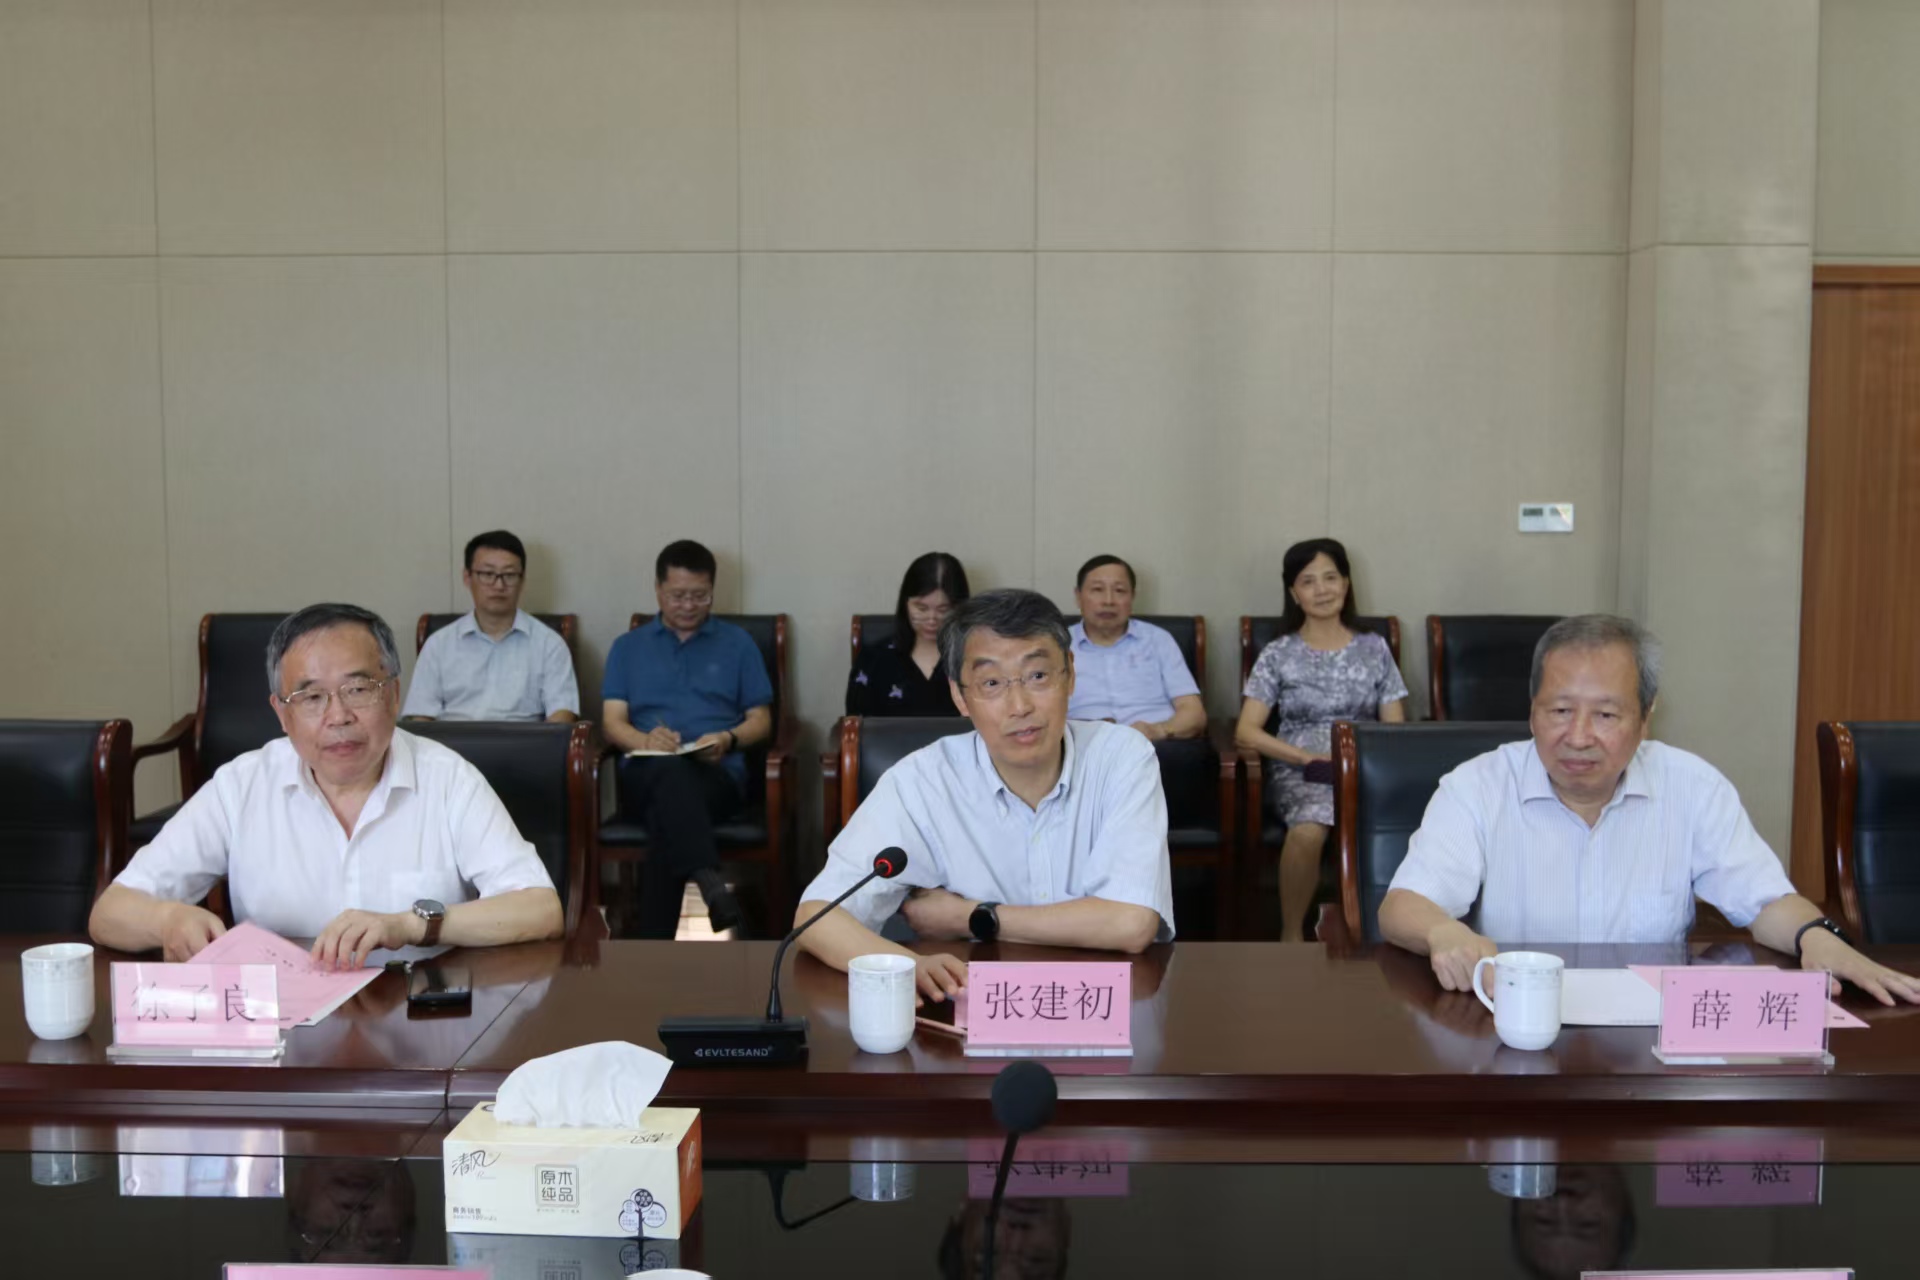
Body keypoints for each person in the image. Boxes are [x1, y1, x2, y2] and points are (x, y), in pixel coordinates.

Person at [1380, 614, 1920, 1005]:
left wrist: (1818, 937)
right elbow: (1402, 906)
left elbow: (1764, 902)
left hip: (1650, 1037)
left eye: (1606, 715)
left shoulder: (1692, 786)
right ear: (1532, 710)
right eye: (1560, 710)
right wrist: (1442, 932)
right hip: (1516, 1021)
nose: (1578, 736)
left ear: (1646, 716)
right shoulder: (1477, 786)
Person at [90, 604, 562, 966]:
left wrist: (410, 925)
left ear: (394, 695)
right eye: (311, 697)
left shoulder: (448, 779)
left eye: (358, 689)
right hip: (285, 1035)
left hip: (422, 1023)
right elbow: (110, 913)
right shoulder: (241, 785)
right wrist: (169, 919)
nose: (338, 716)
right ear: (281, 713)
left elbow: (540, 908)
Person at [795, 589, 1173, 1004]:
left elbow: (1131, 924)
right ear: (960, 696)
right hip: (971, 1011)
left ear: (1070, 675)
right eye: (991, 683)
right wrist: (906, 964)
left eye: (1038, 676)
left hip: (1102, 1008)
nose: (1020, 706)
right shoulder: (922, 781)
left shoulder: (1121, 757)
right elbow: (817, 917)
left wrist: (973, 917)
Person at [1235, 538, 1407, 941]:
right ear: (1294, 593)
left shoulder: (1374, 648)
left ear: (1346, 584)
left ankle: (1388, 933)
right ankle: (1292, 933)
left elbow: (1395, 728)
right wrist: (1303, 758)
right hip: (1302, 770)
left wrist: (1368, 765)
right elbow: (1246, 730)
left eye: (1331, 578)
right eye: (1308, 581)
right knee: (1308, 831)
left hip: (1365, 766)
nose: (1322, 589)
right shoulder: (1278, 652)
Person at [600, 540, 773, 938]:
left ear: (712, 589)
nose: (689, 605)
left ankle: (652, 949)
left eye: (700, 595)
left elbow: (762, 721)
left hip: (716, 777)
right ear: (658, 590)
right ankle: (710, 879)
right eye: (678, 596)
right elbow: (612, 723)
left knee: (668, 813)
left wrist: (728, 738)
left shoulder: (738, 644)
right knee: (667, 772)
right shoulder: (628, 647)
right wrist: (645, 740)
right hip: (644, 774)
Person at [403, 529, 578, 723]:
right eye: (487, 574)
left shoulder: (550, 645)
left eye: (509, 575)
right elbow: (421, 718)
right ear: (467, 577)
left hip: (524, 742)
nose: (499, 585)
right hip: (451, 742)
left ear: (522, 580)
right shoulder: (438, 645)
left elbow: (562, 716)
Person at [1065, 555, 1205, 741]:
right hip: (1083, 744)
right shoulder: (1058, 644)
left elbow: (1193, 711)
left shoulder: (1158, 640)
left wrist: (1158, 730)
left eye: (1120, 590)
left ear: (1132, 596)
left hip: (1157, 745)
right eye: (1097, 589)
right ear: (1078, 596)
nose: (1108, 600)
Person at [846, 552, 970, 717]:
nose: (931, 619)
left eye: (943, 610)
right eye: (921, 608)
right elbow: (856, 725)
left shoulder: (976, 659)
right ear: (905, 604)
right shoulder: (873, 660)